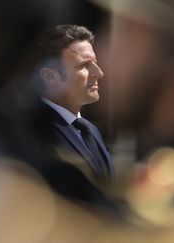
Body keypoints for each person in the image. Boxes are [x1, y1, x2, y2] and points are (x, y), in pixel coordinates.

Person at [36, 25, 113, 182]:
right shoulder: (36, 133)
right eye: (84, 65)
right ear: (50, 77)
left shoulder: (90, 130)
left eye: (95, 63)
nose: (99, 72)